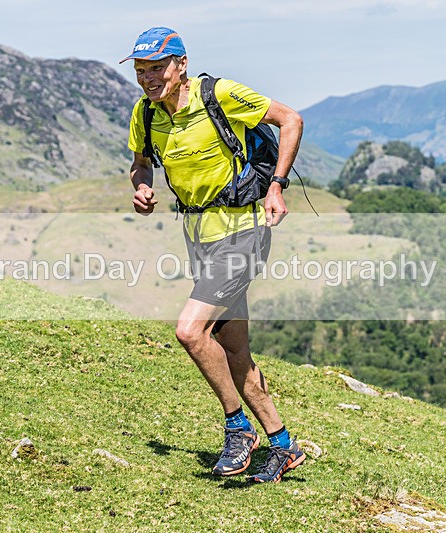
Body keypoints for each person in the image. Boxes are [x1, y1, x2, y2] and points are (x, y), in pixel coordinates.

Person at [122, 27, 305, 483]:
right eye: (141, 71)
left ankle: (237, 427)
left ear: (180, 65)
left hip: (244, 230)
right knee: (233, 349)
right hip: (200, 235)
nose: (148, 79)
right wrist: (142, 185)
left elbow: (291, 119)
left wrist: (276, 187)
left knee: (190, 331)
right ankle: (283, 445)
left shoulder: (219, 94)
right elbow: (141, 160)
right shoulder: (145, 113)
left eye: (157, 68)